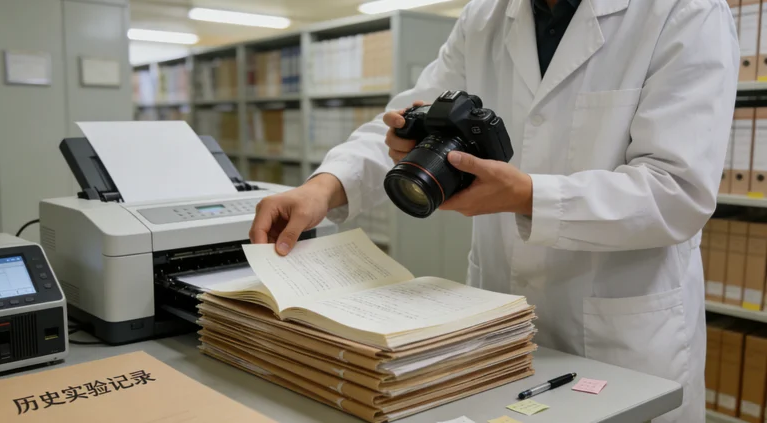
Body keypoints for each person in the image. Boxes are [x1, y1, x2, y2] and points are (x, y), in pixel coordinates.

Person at [249, 0, 739, 421]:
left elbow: (677, 191)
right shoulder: (485, 15)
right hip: (496, 330)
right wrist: (324, 187)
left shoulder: (685, 11)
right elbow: (411, 123)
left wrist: (527, 195)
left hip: (621, 334)